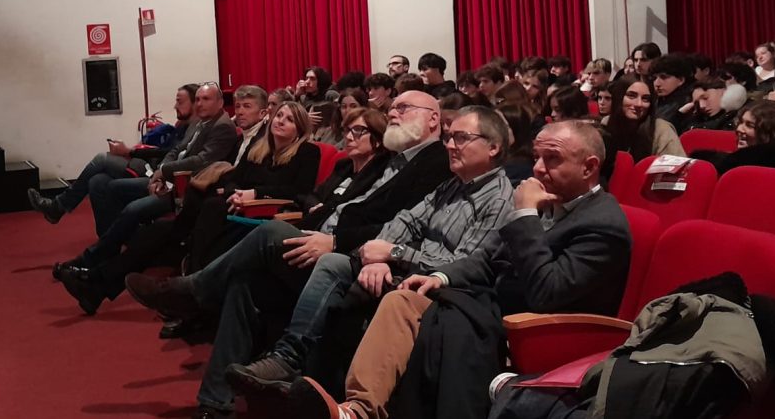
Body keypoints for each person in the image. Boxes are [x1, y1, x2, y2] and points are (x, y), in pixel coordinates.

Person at [124, 93, 453, 419]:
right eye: (393, 107)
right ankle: (214, 402)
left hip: (352, 255)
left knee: (269, 233)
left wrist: (334, 241)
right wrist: (315, 223)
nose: (393, 112)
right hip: (323, 236)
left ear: (433, 118)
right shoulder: (392, 161)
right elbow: (339, 204)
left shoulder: (435, 161)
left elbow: (399, 225)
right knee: (244, 282)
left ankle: (195, 291)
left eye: (403, 108)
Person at [285, 121, 632, 419]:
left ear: (589, 167)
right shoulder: (547, 200)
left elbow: (548, 293)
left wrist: (525, 215)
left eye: (552, 159)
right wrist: (440, 276)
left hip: (535, 327)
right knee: (402, 299)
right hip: (487, 304)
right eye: (537, 157)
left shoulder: (602, 224)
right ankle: (358, 409)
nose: (538, 169)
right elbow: (487, 257)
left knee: (437, 321)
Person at [217, 106, 517, 399]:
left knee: (278, 243)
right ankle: (288, 358)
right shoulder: (452, 185)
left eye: (461, 138)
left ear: (493, 147)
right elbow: (405, 220)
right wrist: (378, 256)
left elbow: (461, 265)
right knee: (321, 266)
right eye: (449, 137)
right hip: (397, 265)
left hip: (438, 288)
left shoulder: (500, 199)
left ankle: (308, 376)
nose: (450, 145)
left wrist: (394, 253)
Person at [53, 86, 273, 313]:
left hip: (224, 210)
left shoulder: (258, 140)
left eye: (247, 107)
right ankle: (96, 284)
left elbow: (242, 176)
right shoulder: (239, 137)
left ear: (263, 112)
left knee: (141, 220)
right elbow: (180, 152)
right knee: (145, 228)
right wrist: (165, 176)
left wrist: (226, 190)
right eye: (238, 106)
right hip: (200, 202)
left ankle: (97, 279)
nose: (240, 111)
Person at [52, 83, 238, 271]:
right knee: (105, 185)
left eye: (206, 99)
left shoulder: (222, 127)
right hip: (168, 179)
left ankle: (97, 254)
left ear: (220, 102)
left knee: (130, 206)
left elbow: (201, 161)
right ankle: (112, 248)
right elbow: (176, 150)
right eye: (197, 99)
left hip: (186, 189)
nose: (200, 104)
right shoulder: (201, 122)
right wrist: (161, 173)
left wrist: (163, 172)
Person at [26, 84, 198, 224]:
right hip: (150, 165)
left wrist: (130, 151)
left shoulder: (196, 128)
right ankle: (106, 240)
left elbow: (167, 153)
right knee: (97, 181)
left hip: (155, 172)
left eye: (180, 102)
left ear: (194, 104)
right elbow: (165, 151)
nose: (175, 106)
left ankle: (58, 207)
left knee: (101, 159)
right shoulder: (182, 126)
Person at [601, 75, 685, 183]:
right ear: (619, 97)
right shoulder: (606, 123)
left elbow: (677, 175)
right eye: (631, 96)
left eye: (645, 99)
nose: (639, 104)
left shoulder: (662, 130)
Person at [709, 100, 775, 175]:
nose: (739, 129)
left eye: (749, 125)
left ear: (771, 132)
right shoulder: (733, 160)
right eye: (740, 122)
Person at [650, 52, 695, 134]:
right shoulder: (656, 100)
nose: (657, 83)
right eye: (654, 78)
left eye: (664, 77)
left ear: (681, 80)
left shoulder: (688, 102)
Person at [497, 102, 536, 186]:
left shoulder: (518, 166)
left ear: (517, 130)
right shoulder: (499, 157)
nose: (493, 130)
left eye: (500, 126)